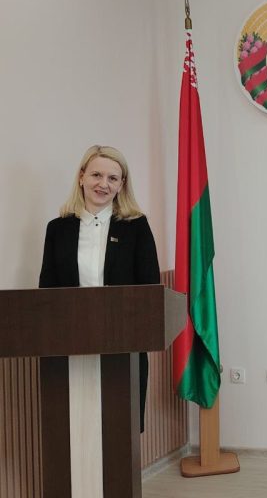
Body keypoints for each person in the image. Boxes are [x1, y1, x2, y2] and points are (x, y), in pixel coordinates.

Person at [39, 144, 159, 433]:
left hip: (123, 343)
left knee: (120, 427)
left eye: (112, 178)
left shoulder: (136, 227)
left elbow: (150, 288)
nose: (103, 184)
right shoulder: (57, 228)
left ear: (121, 185)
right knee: (74, 427)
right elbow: (47, 289)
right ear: (81, 177)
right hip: (70, 344)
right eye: (96, 175)